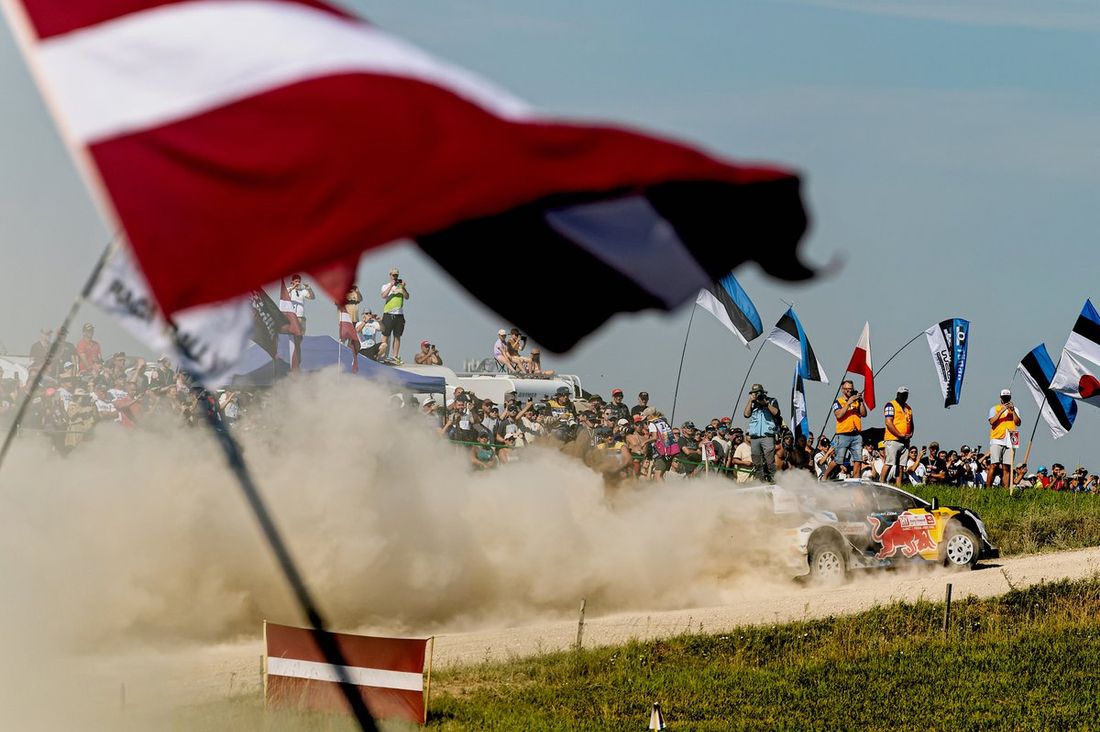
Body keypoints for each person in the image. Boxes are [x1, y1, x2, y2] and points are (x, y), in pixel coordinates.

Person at [743, 384, 780, 482]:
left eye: (758, 392)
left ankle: (774, 479)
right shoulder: (753, 403)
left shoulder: (771, 400)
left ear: (763, 392)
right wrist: (750, 400)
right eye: (754, 393)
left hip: (767, 435)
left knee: (769, 460)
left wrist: (766, 403)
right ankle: (760, 480)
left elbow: (776, 413)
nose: (756, 395)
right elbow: (746, 414)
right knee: (756, 461)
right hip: (755, 436)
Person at [986, 388, 1022, 489]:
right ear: (1001, 398)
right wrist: (1002, 410)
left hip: (1011, 437)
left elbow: (1018, 423)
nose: (1006, 399)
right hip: (997, 437)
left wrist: (1013, 410)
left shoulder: (1015, 409)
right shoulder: (994, 408)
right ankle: (987, 488)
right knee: (994, 464)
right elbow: (992, 421)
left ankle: (1005, 489)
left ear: (1010, 397)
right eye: (1004, 397)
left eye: (1007, 397)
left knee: (1007, 466)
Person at [831, 380, 867, 479]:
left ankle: (856, 480)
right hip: (843, 434)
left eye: (850, 389)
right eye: (846, 389)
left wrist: (861, 402)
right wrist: (848, 403)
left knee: (858, 460)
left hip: (856, 434)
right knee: (838, 460)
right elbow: (838, 415)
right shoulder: (838, 401)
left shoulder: (856, 401)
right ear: (842, 390)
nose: (849, 391)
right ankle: (825, 476)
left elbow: (864, 414)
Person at [880, 386, 914, 487]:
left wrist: (911, 433)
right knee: (890, 462)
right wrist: (899, 434)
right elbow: (888, 422)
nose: (903, 396)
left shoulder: (908, 408)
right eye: (901, 394)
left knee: (901, 465)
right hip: (893, 439)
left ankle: (899, 486)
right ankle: (881, 482)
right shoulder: (890, 405)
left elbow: (911, 422)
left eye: (905, 395)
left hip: (905, 440)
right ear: (897, 394)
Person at [380, 267, 410, 363]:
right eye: (393, 275)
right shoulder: (385, 286)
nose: (395, 277)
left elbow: (407, 297)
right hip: (388, 313)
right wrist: (391, 287)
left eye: (396, 275)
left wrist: (403, 288)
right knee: (385, 335)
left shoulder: (401, 286)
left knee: (397, 336)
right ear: (390, 275)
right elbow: (383, 296)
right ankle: (382, 355)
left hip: (399, 314)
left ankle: (395, 356)